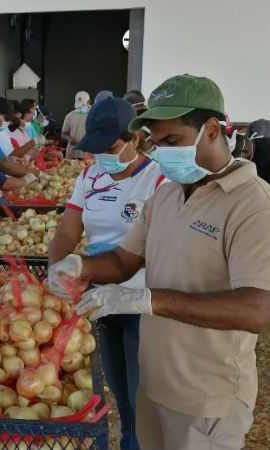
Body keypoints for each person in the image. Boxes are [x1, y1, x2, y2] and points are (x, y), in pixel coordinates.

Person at [51, 74, 270, 450]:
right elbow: (123, 259)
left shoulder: (253, 203)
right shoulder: (167, 196)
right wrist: (79, 266)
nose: (163, 152)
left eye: (173, 142)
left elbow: (259, 309)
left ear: (212, 130)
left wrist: (149, 300)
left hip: (206, 398)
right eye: (158, 142)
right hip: (155, 383)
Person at [49, 97, 167, 450]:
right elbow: (67, 231)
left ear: (134, 139)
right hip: (96, 296)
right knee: (115, 387)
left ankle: (138, 443)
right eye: (95, 149)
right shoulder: (90, 175)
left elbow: (155, 249)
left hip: (136, 298)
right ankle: (128, 439)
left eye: (110, 147)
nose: (101, 156)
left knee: (140, 389)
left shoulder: (158, 181)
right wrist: (58, 268)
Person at [0, 96, 42, 178]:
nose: (8, 123)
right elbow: (3, 165)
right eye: (6, 119)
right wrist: (32, 172)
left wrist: (9, 159)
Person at [62, 91, 91, 159]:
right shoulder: (70, 116)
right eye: (78, 107)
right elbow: (63, 134)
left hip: (89, 156)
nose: (80, 108)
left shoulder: (94, 115)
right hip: (72, 155)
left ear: (89, 102)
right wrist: (69, 138)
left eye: (82, 105)